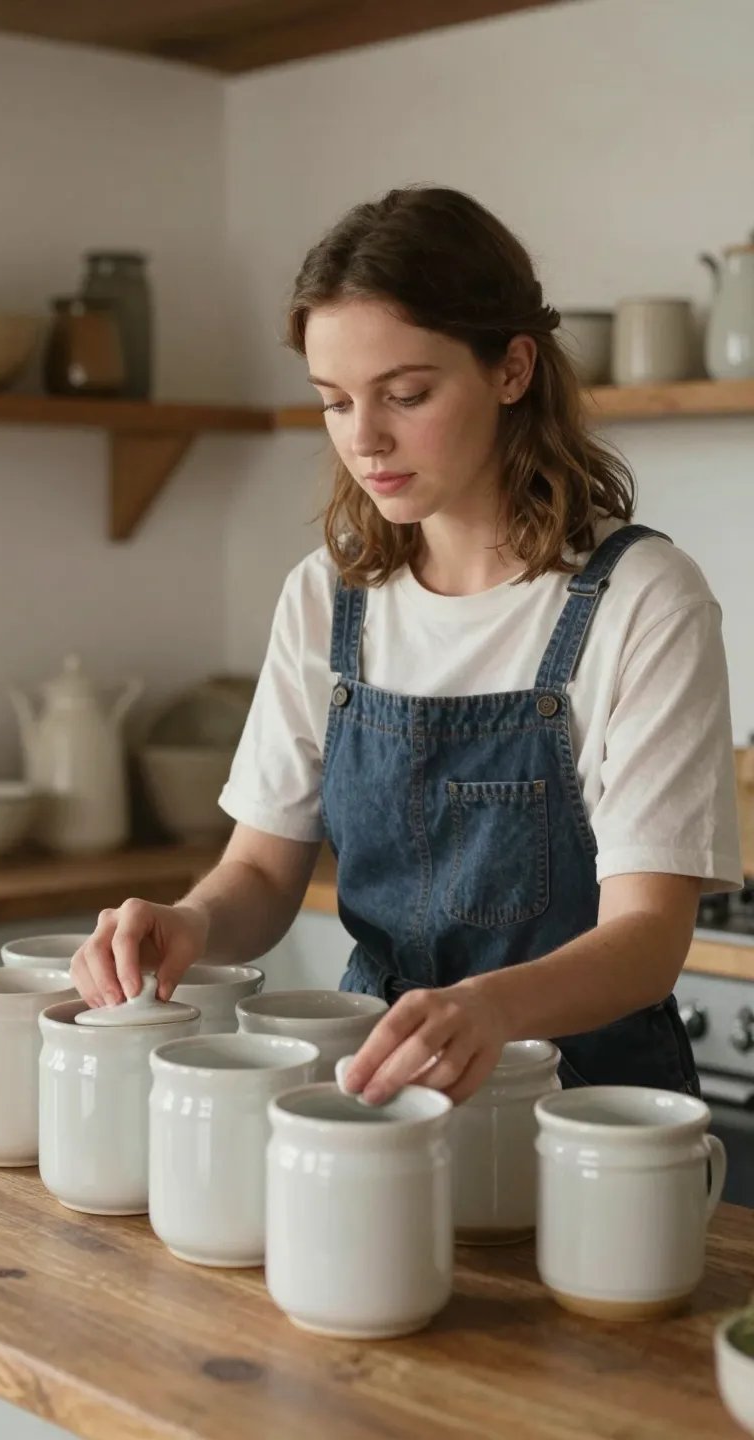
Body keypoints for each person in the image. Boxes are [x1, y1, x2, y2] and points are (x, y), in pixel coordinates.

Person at [71, 185, 742, 1107]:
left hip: (587, 1106)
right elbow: (262, 873)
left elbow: (648, 943)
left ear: (512, 369)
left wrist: (488, 1010)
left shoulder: (645, 600)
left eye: (407, 395)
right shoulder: (327, 596)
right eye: (335, 402)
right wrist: (188, 922)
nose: (365, 439)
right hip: (378, 1083)